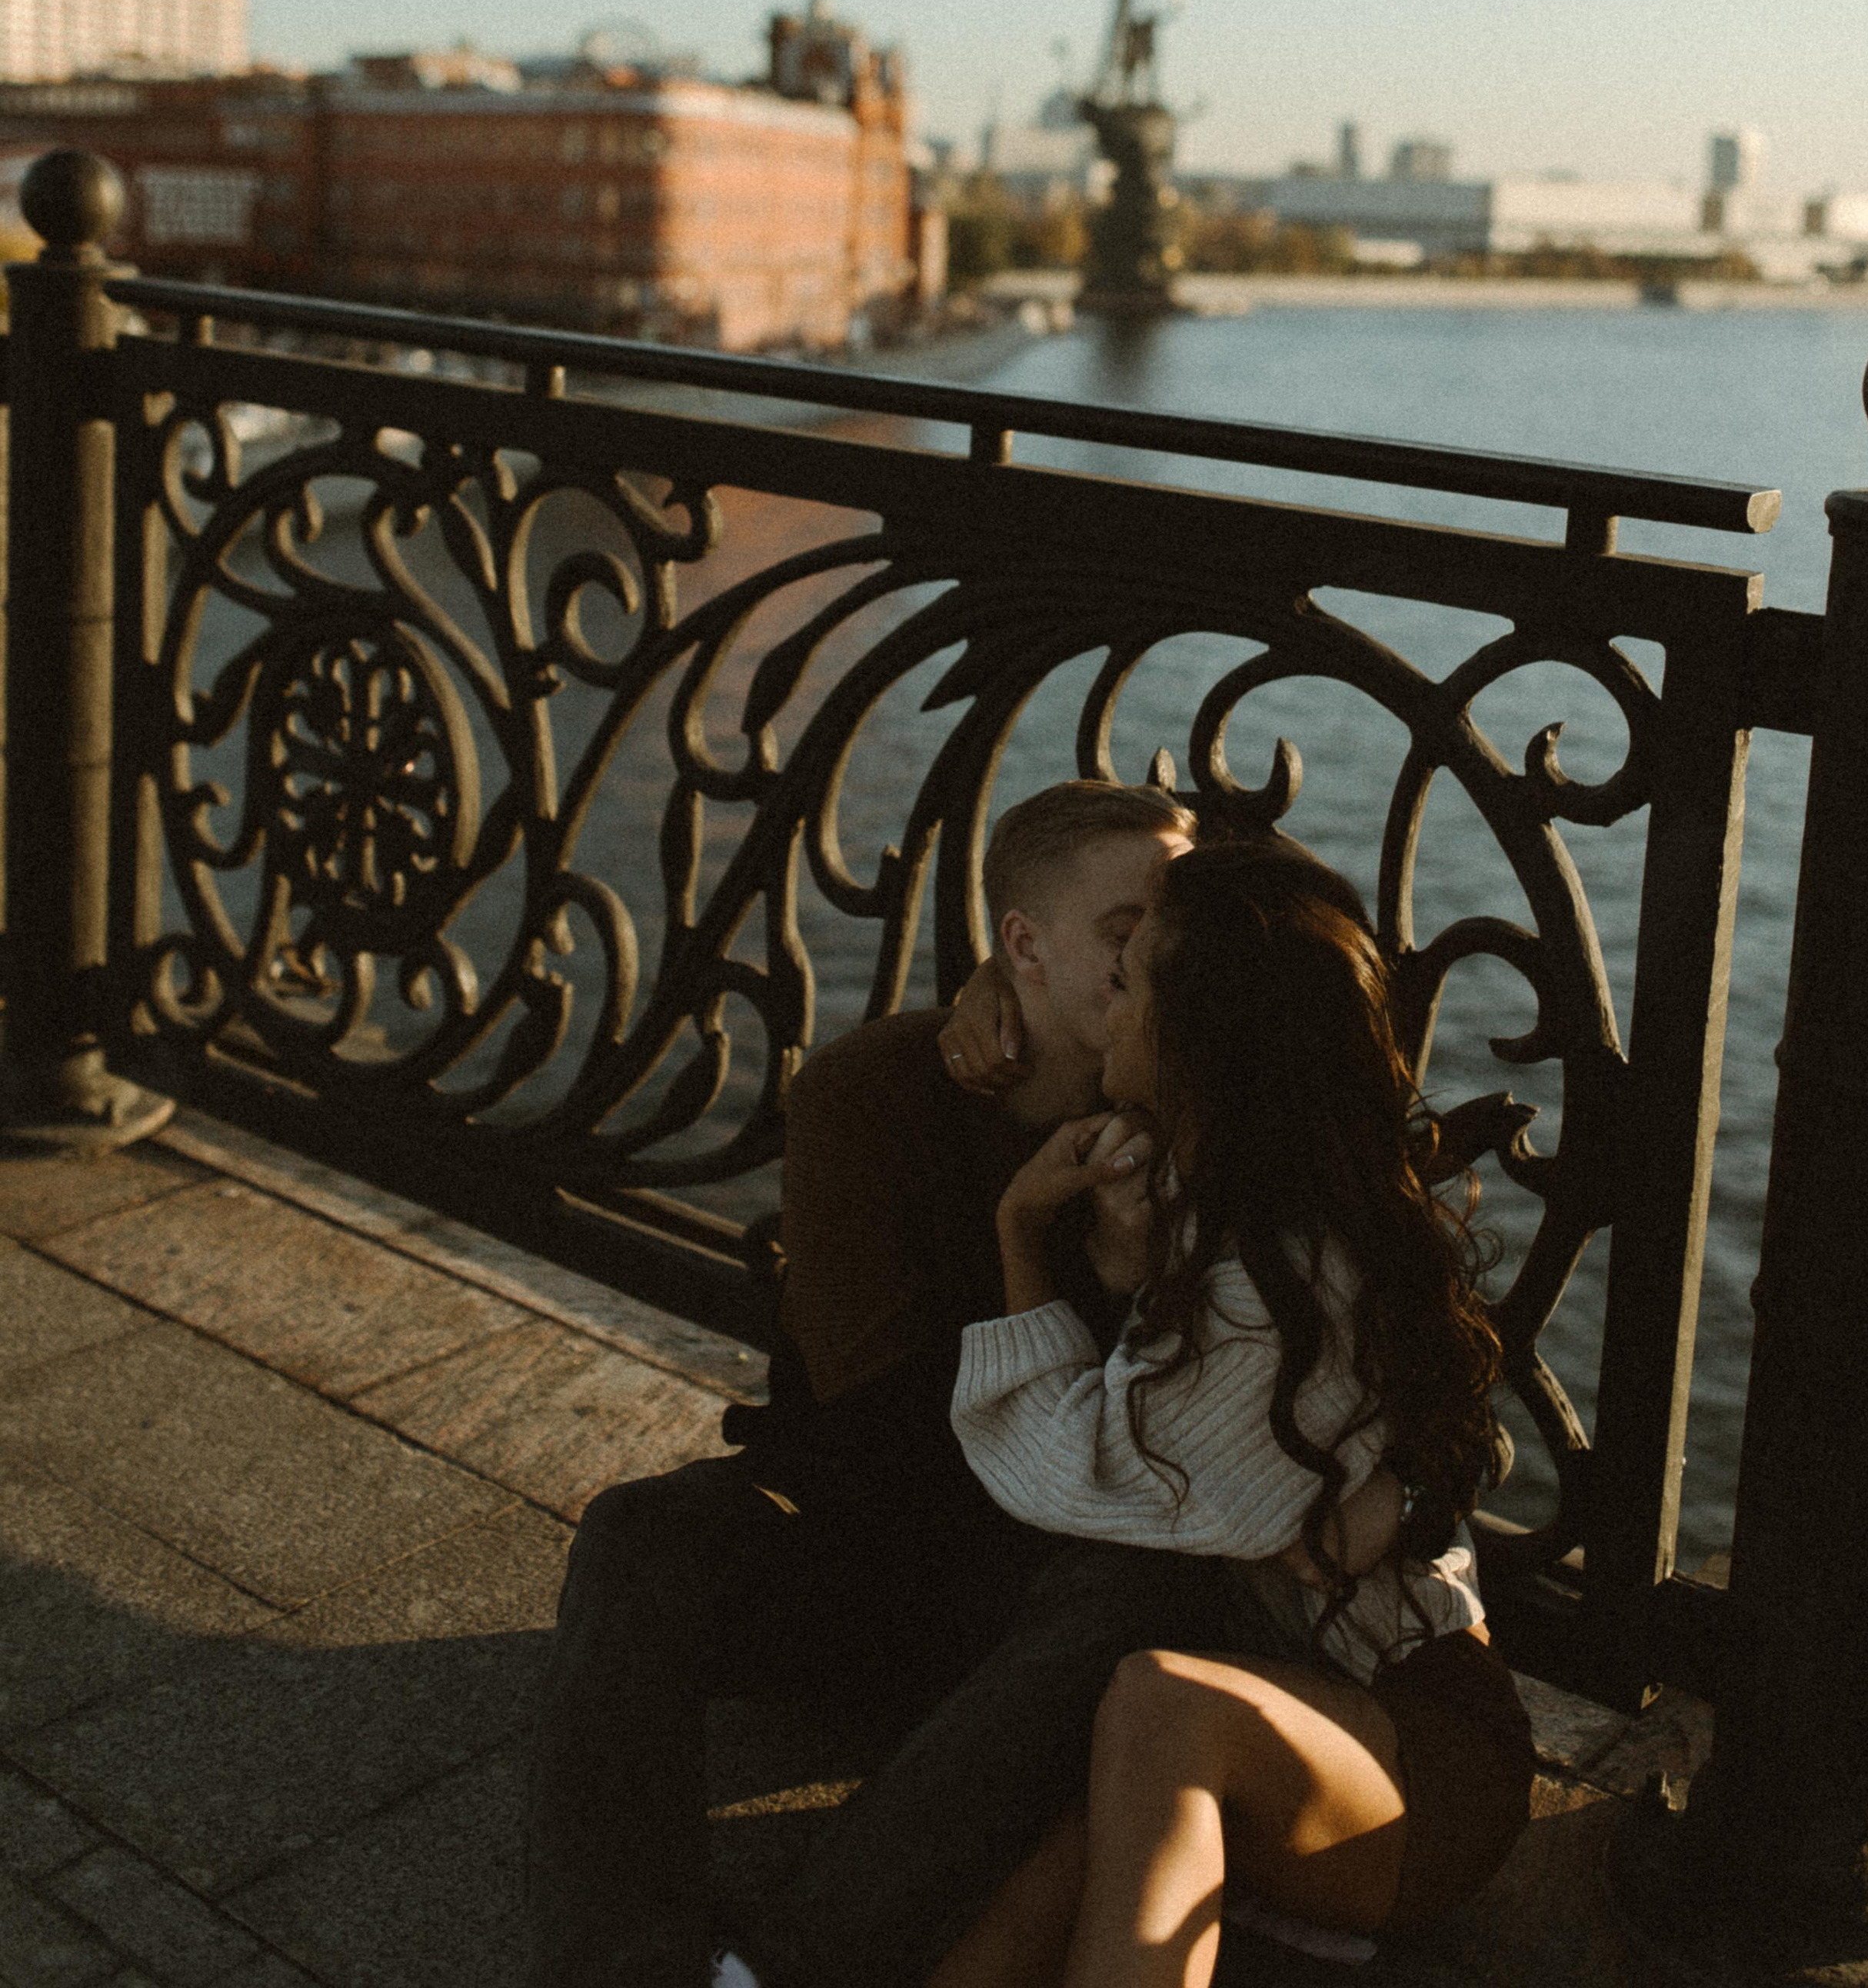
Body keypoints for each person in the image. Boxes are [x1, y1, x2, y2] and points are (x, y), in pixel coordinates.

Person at [735, 839, 1531, 1988]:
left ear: (1198, 1037)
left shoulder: (1278, 1283)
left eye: (1135, 979)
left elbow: (1067, 1468)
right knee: (1010, 1915)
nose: (1110, 999)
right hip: (1291, 1705)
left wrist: (1021, 1232)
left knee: (1156, 1699)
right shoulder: (1240, 1194)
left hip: (1413, 1759)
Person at [524, 778, 1200, 1988]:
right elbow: (869, 1425)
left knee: (1129, 1602)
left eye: (1175, 923)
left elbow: (1180, 1462)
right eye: (1124, 931)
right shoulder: (877, 1090)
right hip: (888, 1557)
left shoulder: (1206, 1122)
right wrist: (1046, 1259)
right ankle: (621, 1968)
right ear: (1023, 948)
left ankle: (783, 1972)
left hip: (1055, 1618)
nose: (1162, 953)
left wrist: (1134, 1268)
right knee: (641, 1531)